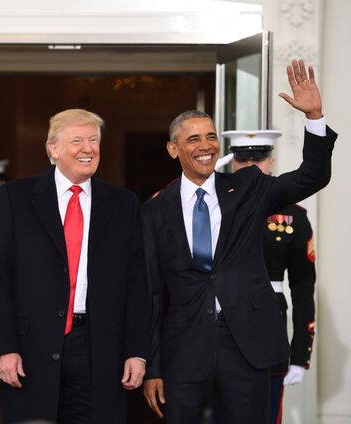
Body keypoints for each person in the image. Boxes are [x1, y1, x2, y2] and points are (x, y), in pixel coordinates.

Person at [141, 59, 336, 424]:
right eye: (193, 139)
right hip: (183, 350)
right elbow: (151, 293)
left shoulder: (248, 187)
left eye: (211, 136)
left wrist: (314, 117)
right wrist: (153, 365)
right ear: (173, 149)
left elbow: (312, 176)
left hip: (247, 345)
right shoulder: (153, 210)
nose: (206, 146)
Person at [0, 108, 151, 424]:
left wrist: (137, 351)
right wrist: (4, 348)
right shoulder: (16, 197)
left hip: (99, 348)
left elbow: (137, 282)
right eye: (77, 141)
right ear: (53, 149)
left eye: (93, 140)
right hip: (30, 349)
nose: (87, 149)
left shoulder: (123, 203)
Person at [216, 129, 316, 424]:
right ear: (232, 162)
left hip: (267, 324)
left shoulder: (293, 215)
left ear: (271, 162)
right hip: (219, 324)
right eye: (241, 158)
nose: (249, 165)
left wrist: (300, 353)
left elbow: (302, 283)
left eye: (258, 158)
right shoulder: (213, 204)